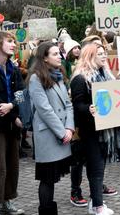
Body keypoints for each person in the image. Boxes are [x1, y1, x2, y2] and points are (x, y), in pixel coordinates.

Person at [27, 42, 75, 214]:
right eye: (55, 54)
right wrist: (62, 132)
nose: (60, 57)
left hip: (63, 134)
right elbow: (44, 110)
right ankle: (46, 211)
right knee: (47, 179)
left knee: (53, 178)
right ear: (45, 58)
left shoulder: (59, 75)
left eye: (59, 53)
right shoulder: (35, 78)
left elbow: (68, 105)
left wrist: (69, 128)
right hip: (49, 136)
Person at [70, 43, 116, 214]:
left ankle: (95, 202)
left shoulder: (106, 76)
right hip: (89, 132)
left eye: (105, 53)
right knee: (95, 168)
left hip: (104, 130)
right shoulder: (80, 79)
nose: (104, 56)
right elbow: (76, 105)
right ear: (90, 56)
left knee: (99, 167)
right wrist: (88, 108)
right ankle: (97, 206)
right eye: (100, 54)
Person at [0, 32, 25, 215]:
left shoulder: (13, 68)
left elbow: (21, 93)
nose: (14, 44)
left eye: (15, 42)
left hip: (12, 124)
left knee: (13, 164)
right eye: (10, 41)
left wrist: (12, 106)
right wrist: (14, 116)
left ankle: (8, 200)